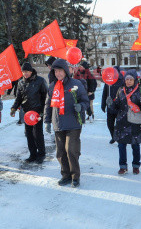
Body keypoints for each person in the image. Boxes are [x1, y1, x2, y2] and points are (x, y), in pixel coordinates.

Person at [44, 59, 89, 187]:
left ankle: (75, 176)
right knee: (60, 152)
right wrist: (47, 121)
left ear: (65, 70)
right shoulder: (52, 86)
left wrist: (81, 106)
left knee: (71, 150)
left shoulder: (76, 84)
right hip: (58, 123)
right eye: (56, 71)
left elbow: (85, 101)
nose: (58, 73)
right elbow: (48, 105)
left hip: (73, 123)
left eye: (60, 70)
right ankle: (66, 175)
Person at [107, 70, 141, 175]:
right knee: (121, 145)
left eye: (131, 79)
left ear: (135, 79)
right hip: (122, 122)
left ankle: (136, 166)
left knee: (135, 146)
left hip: (136, 123)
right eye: (127, 79)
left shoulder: (140, 90)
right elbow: (116, 106)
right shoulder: (120, 90)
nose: (129, 81)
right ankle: (123, 166)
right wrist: (110, 104)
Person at [10, 62, 48, 164]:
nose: (25, 74)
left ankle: (41, 154)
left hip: (37, 111)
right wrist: (14, 108)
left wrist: (42, 110)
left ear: (31, 71)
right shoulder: (20, 82)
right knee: (29, 134)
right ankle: (32, 154)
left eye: (27, 72)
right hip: (26, 113)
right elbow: (18, 98)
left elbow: (45, 96)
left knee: (38, 133)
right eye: (23, 72)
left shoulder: (40, 80)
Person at [101, 66, 125, 144]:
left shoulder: (123, 81)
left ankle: (119, 137)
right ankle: (114, 137)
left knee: (119, 125)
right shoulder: (108, 80)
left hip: (119, 107)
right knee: (109, 124)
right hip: (110, 107)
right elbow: (105, 93)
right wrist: (103, 104)